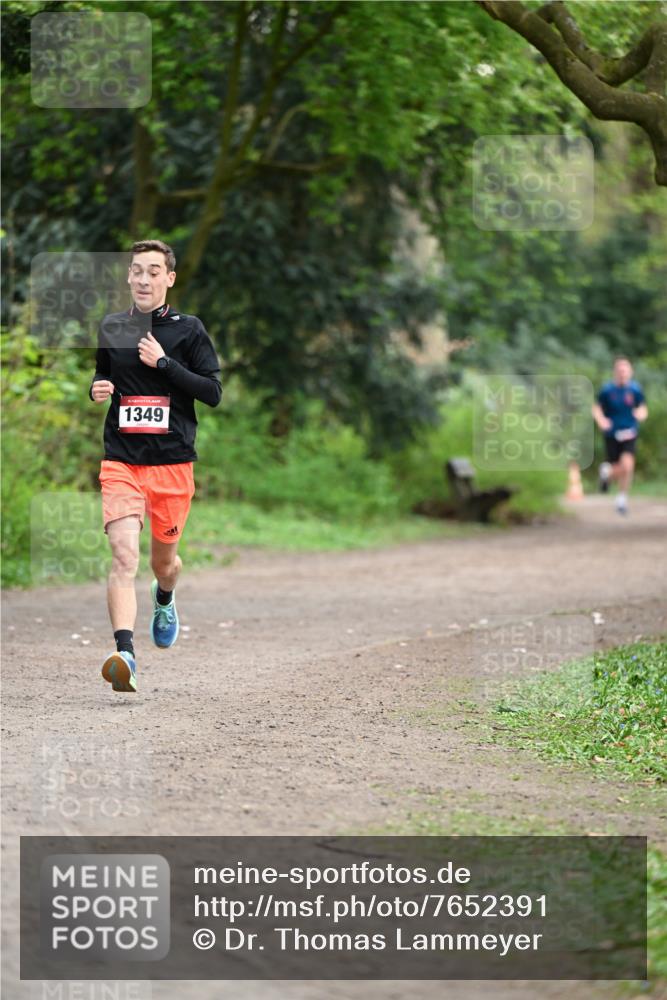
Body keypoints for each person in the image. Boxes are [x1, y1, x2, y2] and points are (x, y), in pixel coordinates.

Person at [90, 239, 222, 692]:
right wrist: (98, 387)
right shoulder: (111, 326)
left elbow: (212, 392)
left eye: (153, 271)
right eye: (136, 271)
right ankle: (125, 652)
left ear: (169, 278)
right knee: (123, 555)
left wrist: (164, 363)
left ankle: (164, 596)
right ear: (127, 277)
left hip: (171, 465)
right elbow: (102, 371)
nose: (143, 279)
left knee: (163, 564)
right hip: (122, 460)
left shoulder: (189, 330)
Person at [592, 357, 647, 516]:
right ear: (615, 372)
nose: (623, 373)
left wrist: (641, 414)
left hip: (629, 432)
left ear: (630, 372)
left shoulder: (635, 390)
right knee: (618, 466)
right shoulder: (607, 390)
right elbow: (596, 408)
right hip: (612, 434)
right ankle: (606, 475)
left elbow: (643, 408)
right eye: (620, 370)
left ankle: (621, 498)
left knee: (628, 465)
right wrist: (601, 420)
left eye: (625, 370)